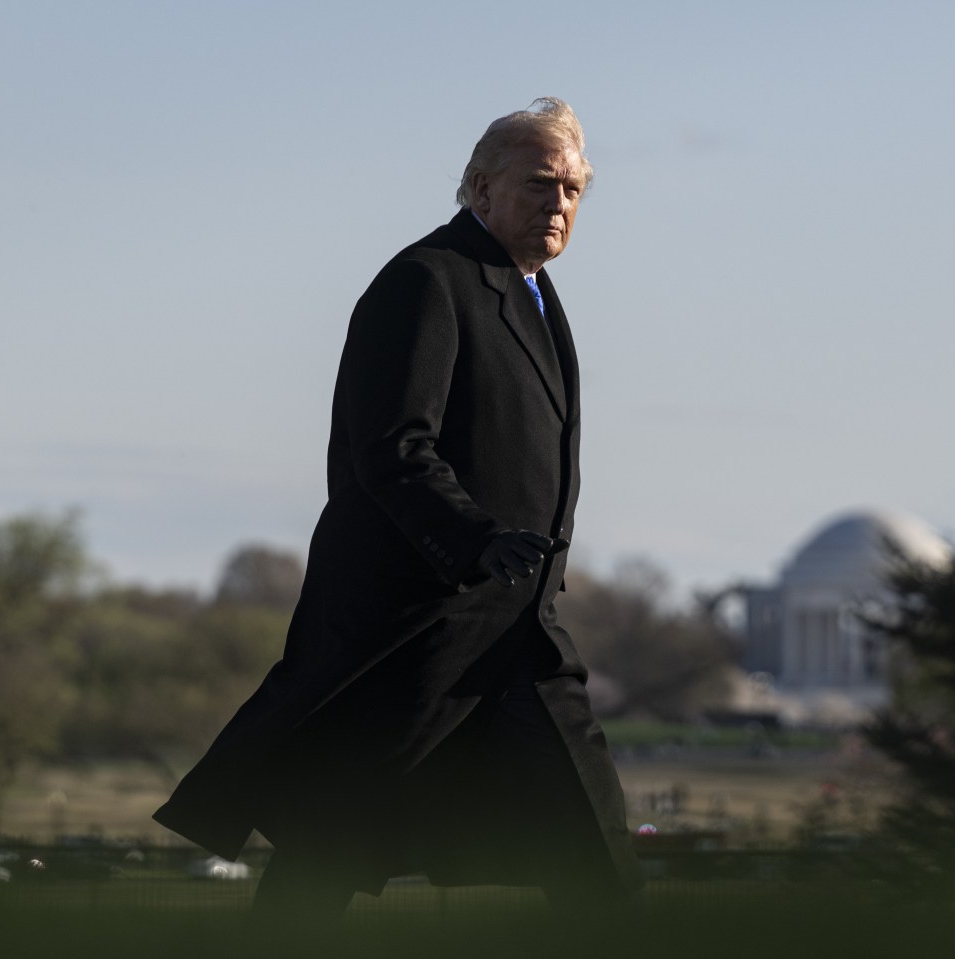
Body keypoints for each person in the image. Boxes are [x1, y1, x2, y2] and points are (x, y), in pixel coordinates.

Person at [154, 97, 641, 916]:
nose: (559, 203)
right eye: (539, 184)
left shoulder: (536, 296)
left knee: (593, 842)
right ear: (481, 190)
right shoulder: (426, 282)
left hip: (520, 632)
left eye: (573, 189)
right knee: (331, 846)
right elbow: (390, 447)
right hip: (422, 628)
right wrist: (476, 539)